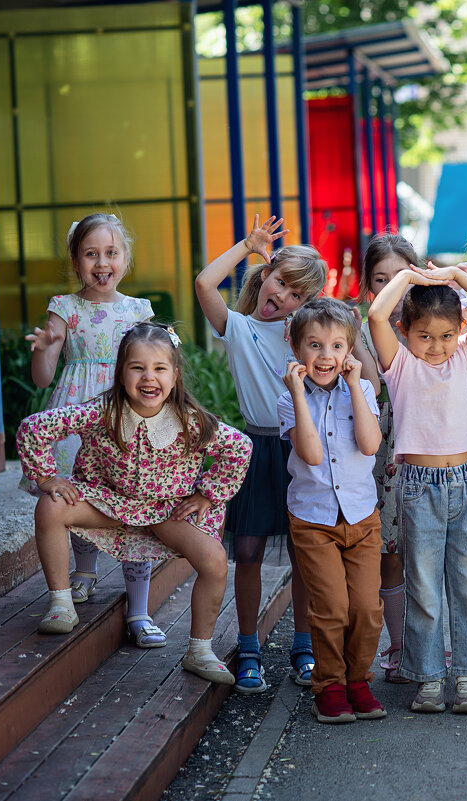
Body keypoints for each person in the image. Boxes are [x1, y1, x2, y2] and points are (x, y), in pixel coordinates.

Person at [16, 322, 252, 684]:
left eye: (159, 368)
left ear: (175, 375)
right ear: (121, 373)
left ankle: (200, 650)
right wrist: (47, 478)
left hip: (165, 510)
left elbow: (240, 448)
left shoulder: (190, 421)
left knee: (215, 560)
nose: (148, 377)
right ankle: (62, 603)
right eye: (137, 367)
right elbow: (35, 427)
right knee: (50, 506)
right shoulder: (103, 411)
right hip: (108, 501)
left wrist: (207, 492)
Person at [194, 214, 328, 693]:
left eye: (297, 295)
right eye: (280, 282)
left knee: (303, 551)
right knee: (247, 551)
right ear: (265, 274)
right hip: (255, 449)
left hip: (301, 447)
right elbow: (204, 283)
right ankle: (248, 648)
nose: (283, 296)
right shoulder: (237, 327)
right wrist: (248, 245)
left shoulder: (304, 336)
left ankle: (304, 647)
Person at [368, 260, 467, 714]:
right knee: (424, 587)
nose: (436, 346)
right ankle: (428, 678)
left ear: (460, 331)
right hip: (419, 487)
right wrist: (410, 278)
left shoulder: (464, 356)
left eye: (447, 335)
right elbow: (375, 315)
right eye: (424, 335)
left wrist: (453, 277)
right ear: (405, 331)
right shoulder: (400, 365)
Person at [22, 213, 161, 648]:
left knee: (134, 502)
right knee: (75, 494)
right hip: (76, 416)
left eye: (111, 253)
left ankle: (139, 608)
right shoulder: (64, 307)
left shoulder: (139, 310)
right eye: (91, 254)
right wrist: (45, 349)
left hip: (128, 414)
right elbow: (43, 377)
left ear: (125, 257)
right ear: (76, 260)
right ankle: (83, 572)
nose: (102, 263)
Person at [278, 299, 385, 724]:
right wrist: (297, 395)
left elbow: (370, 445)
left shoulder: (362, 391)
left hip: (361, 517)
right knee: (332, 608)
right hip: (314, 520)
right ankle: (330, 687)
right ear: (296, 349)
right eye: (315, 345)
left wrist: (356, 386)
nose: (326, 356)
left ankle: (358, 681)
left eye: (337, 346)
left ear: (350, 351)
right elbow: (311, 454)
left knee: (367, 609)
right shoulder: (288, 400)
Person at [355, 233, 417, 683]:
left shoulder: (436, 321)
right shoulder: (358, 332)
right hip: (381, 451)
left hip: (430, 447)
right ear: (368, 286)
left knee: (433, 554)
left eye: (401, 276)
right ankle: (397, 645)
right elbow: (374, 386)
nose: (392, 287)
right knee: (389, 552)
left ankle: (432, 644)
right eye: (381, 279)